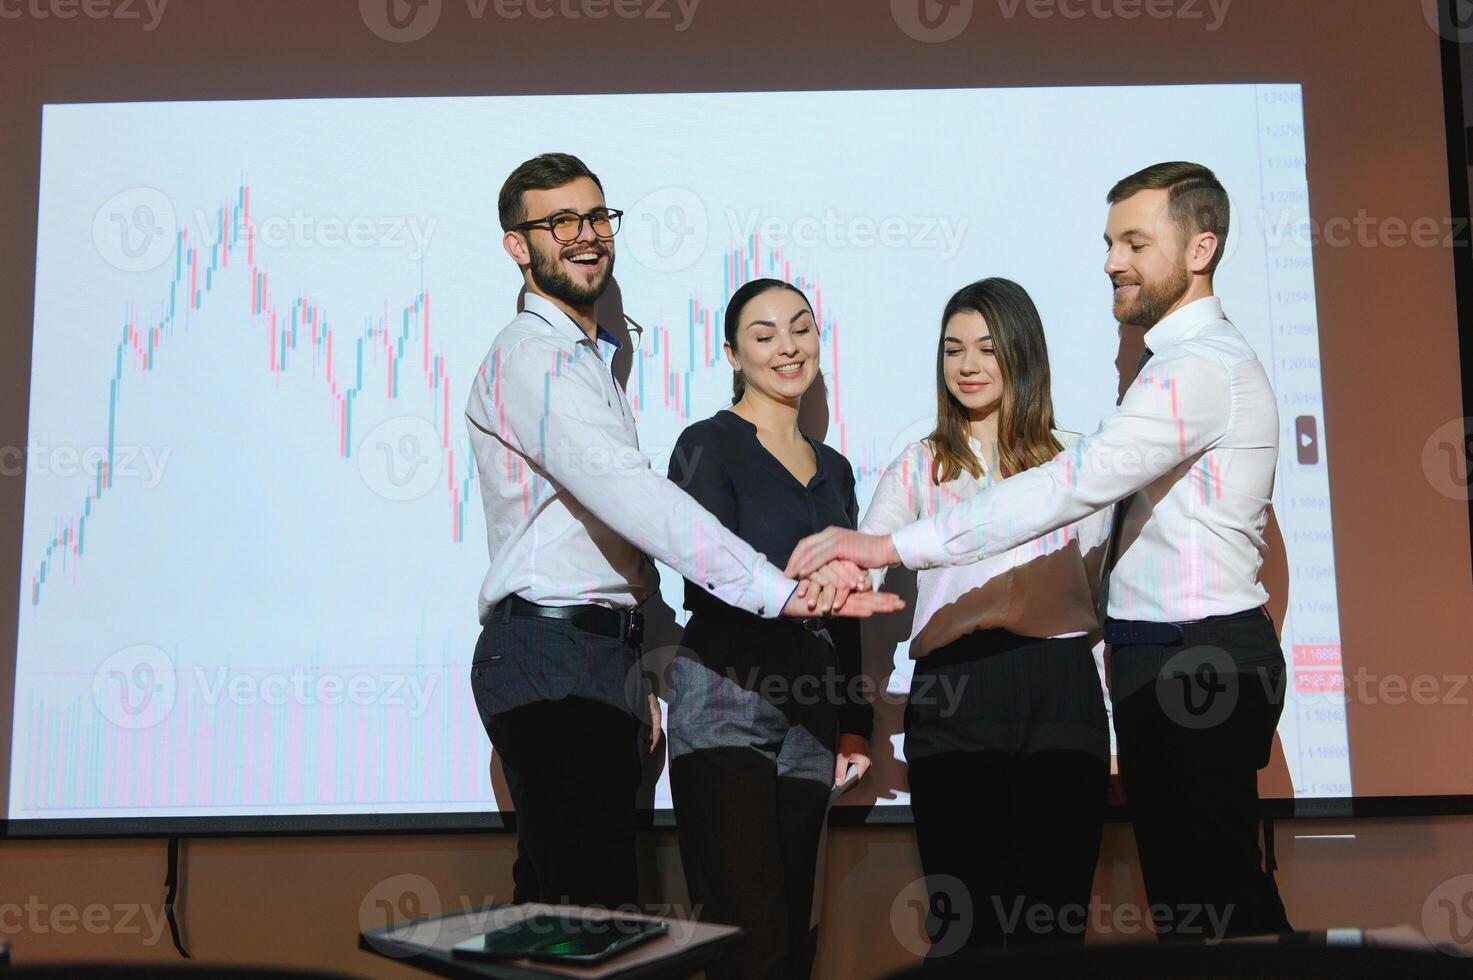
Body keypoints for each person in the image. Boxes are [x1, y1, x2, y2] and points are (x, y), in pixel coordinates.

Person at [786, 162, 1293, 942]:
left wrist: (889, 542)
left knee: (1211, 909)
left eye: (1132, 241)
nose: (1109, 261)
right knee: (1196, 907)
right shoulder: (1171, 367)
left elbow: (1068, 489)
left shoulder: (1194, 369)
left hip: (1182, 663)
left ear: (1199, 249)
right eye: (1106, 242)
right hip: (1136, 668)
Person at [464, 154, 899, 912]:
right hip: (550, 653)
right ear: (516, 245)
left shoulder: (588, 361)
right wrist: (782, 593)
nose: (585, 235)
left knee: (567, 903)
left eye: (596, 217)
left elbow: (620, 544)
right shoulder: (534, 358)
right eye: (559, 222)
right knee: (585, 911)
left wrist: (644, 668)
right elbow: (636, 500)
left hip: (594, 658)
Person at [857, 277, 1111, 954]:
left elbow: (1101, 592)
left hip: (1059, 689)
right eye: (952, 350)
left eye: (986, 348)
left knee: (1051, 926)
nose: (966, 365)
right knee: (966, 927)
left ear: (1021, 353)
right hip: (954, 693)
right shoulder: (919, 466)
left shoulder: (1077, 460)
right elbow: (870, 553)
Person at [664, 277, 874, 980]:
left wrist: (855, 722)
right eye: (763, 334)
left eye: (801, 328)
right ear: (731, 352)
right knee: (744, 929)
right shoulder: (707, 446)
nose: (787, 347)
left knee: (790, 927)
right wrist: (801, 590)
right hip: (725, 694)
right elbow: (703, 577)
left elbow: (847, 609)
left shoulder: (837, 468)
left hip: (811, 710)